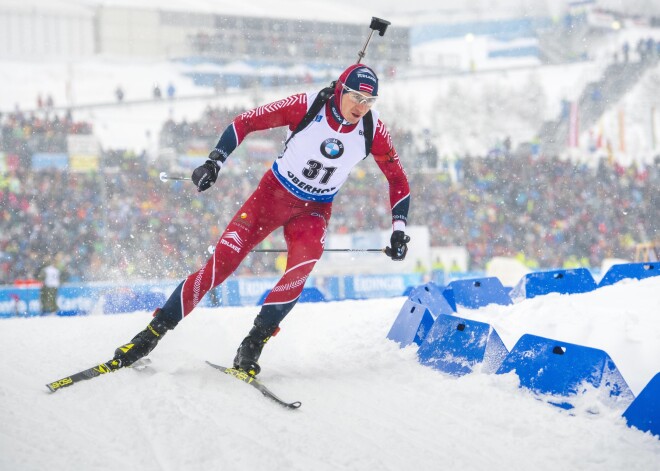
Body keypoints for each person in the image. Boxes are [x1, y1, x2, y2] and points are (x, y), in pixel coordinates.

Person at [113, 64, 411, 376]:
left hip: (313, 211)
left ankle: (253, 343)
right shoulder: (307, 105)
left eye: (369, 101)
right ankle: (150, 336)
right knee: (221, 265)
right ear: (340, 91)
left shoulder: (373, 130)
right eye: (355, 97)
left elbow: (398, 180)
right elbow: (245, 122)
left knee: (299, 271)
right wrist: (214, 161)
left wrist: (399, 230)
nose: (360, 107)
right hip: (271, 198)